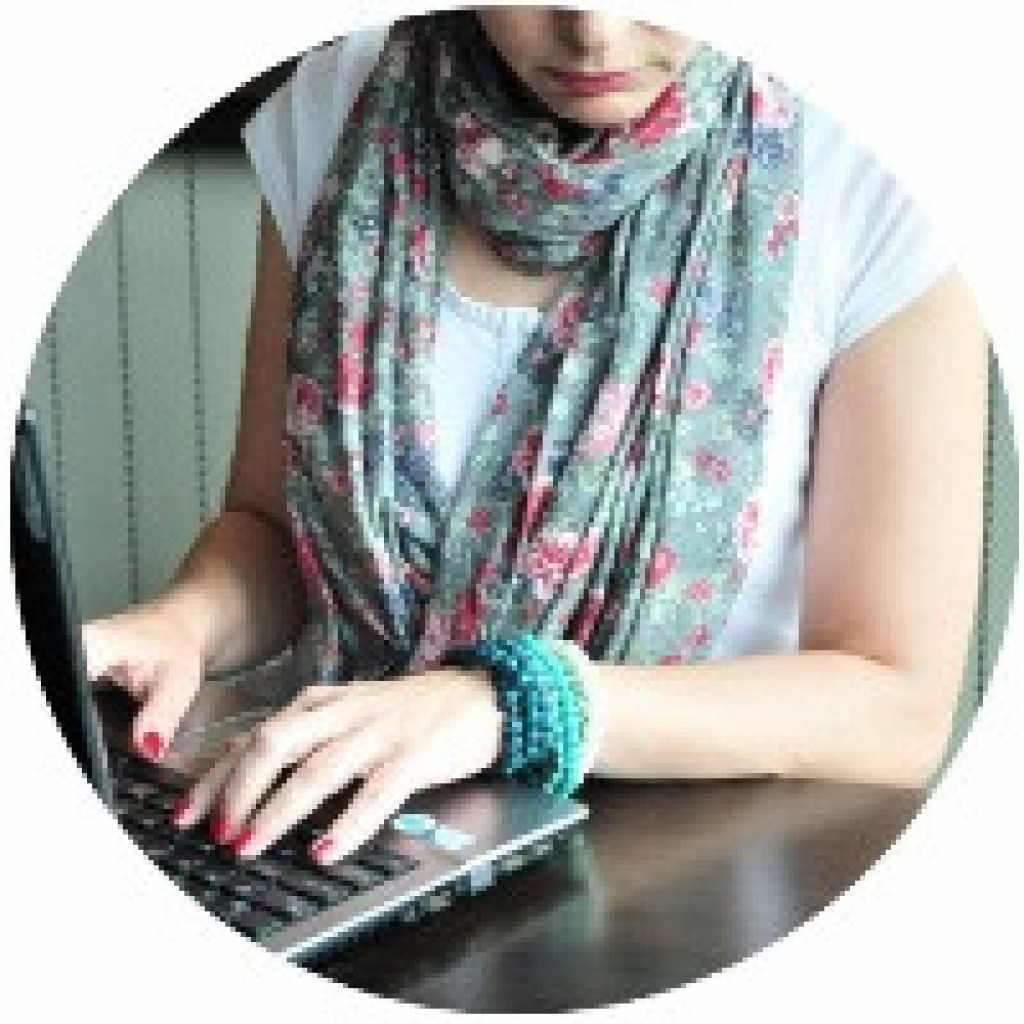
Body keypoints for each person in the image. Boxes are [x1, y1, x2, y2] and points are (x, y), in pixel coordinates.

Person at [82, 7, 986, 867]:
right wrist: (180, 625)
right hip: (359, 836)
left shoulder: (869, 166)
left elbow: (895, 709)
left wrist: (517, 705)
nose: (593, 32)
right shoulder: (337, 107)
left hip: (691, 878)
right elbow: (275, 531)